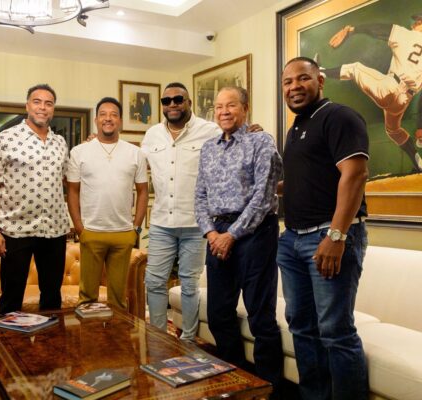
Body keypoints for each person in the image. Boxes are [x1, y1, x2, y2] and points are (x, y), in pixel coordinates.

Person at [141, 82, 262, 342]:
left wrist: (253, 130)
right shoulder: (152, 135)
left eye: (178, 99)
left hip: (198, 224)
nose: (172, 104)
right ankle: (158, 339)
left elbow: (236, 135)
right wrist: (98, 142)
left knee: (189, 283)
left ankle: (187, 341)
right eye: (166, 101)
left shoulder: (209, 130)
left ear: (189, 103)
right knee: (153, 281)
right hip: (161, 223)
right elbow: (135, 162)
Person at [279, 57, 370, 399]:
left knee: (335, 331)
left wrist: (336, 235)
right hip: (292, 239)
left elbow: (355, 174)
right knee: (302, 326)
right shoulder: (297, 128)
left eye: (303, 79)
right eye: (288, 82)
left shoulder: (339, 117)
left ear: (320, 80)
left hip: (327, 236)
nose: (294, 87)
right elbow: (307, 179)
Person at [194, 86, 284, 392]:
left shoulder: (261, 141)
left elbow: (264, 196)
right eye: (219, 107)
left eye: (231, 105)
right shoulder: (208, 148)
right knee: (218, 314)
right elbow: (200, 196)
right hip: (217, 232)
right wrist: (212, 233)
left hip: (255, 233)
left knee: (260, 316)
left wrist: (232, 235)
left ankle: (268, 389)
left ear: (245, 108)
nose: (223, 112)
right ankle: (236, 382)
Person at [0, 84, 69, 314]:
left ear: (53, 109)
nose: (42, 107)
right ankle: (6, 338)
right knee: (11, 299)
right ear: (27, 106)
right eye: (37, 101)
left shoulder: (60, 143)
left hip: (54, 230)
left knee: (52, 298)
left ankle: (50, 339)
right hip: (15, 230)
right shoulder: (4, 140)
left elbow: (66, 181)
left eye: (48, 103)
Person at [319, 6, 422, 172]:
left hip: (389, 87)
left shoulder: (409, 35)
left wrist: (352, 30)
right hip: (404, 101)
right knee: (393, 130)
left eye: (421, 21)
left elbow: (379, 29)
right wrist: (420, 125)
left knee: (355, 68)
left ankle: (319, 72)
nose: (416, 22)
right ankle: (420, 165)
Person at [67, 97, 148, 310]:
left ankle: (116, 333)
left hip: (123, 234)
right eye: (103, 114)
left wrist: (136, 228)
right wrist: (79, 227)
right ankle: (89, 333)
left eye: (113, 114)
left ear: (120, 120)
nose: (108, 118)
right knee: (87, 299)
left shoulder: (135, 153)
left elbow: (143, 191)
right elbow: (72, 191)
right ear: (96, 119)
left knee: (119, 300)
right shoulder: (79, 152)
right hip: (91, 232)